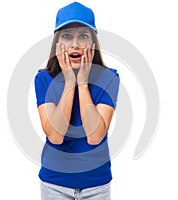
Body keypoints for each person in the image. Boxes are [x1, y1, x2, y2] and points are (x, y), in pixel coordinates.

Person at [34, 2, 120, 199]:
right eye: (67, 36)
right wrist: (69, 83)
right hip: (55, 184)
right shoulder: (44, 79)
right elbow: (55, 136)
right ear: (57, 43)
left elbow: (95, 136)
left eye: (83, 36)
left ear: (93, 43)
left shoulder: (109, 78)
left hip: (96, 185)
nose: (75, 44)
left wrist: (82, 83)